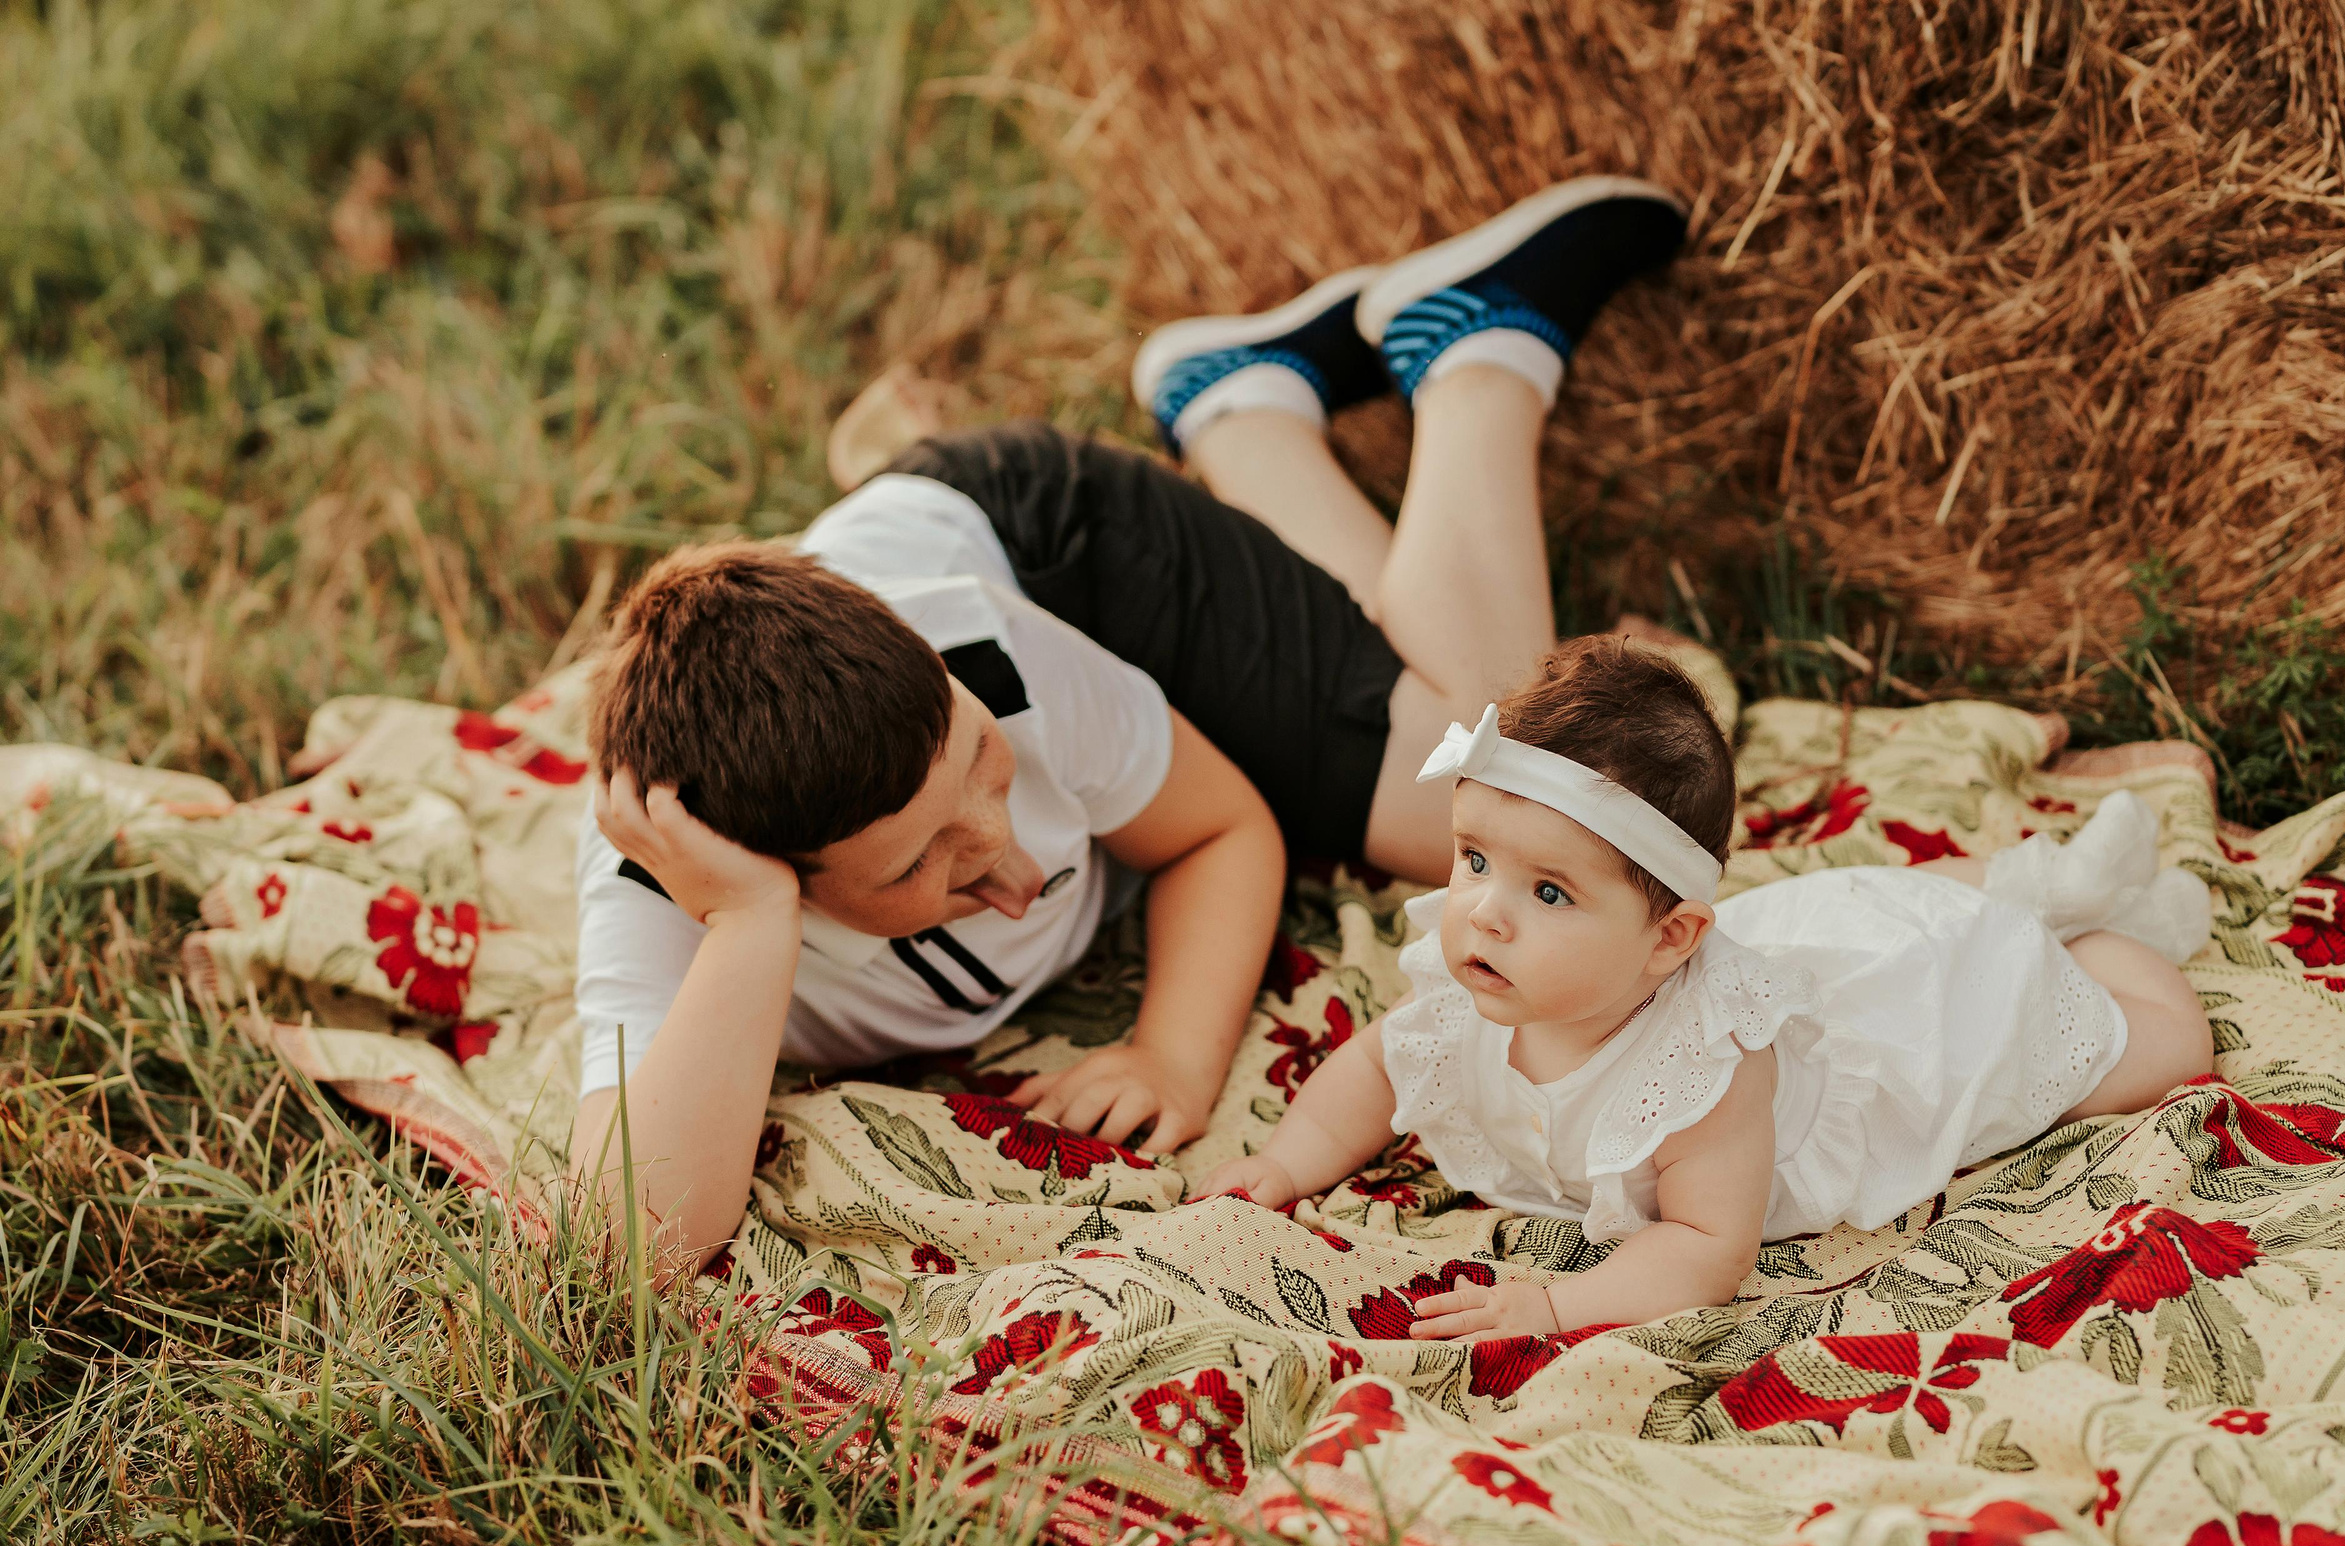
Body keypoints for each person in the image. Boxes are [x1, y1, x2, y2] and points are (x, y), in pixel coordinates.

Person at [568, 178, 1692, 1261]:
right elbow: (631, 1244)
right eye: (925, 862)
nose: (1015, 868)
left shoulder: (985, 650)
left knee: (1474, 783)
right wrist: (754, 926)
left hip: (1055, 550)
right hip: (905, 706)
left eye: (983, 768)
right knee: (1404, 734)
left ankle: (1474, 354)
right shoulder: (674, 884)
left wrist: (1172, 1056)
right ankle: (1240, 407)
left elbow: (1217, 828)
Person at [1188, 637, 2217, 1336]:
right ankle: (2004, 884)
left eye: (1547, 890)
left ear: (1666, 940)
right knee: (1856, 912)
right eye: (1471, 861)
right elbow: (1375, 1066)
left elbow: (1704, 1247)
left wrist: (1555, 1306)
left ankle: (2092, 927)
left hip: (1913, 1020)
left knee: (2155, 1051)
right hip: (1791, 943)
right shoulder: (1484, 977)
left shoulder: (1710, 1071)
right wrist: (1285, 1163)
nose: (1483, 913)